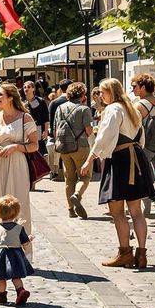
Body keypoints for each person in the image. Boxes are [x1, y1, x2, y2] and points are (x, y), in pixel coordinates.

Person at [80, 78, 154, 269]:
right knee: (136, 211)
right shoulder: (132, 108)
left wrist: (90, 158)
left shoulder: (113, 109)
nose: (100, 96)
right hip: (136, 157)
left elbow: (104, 136)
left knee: (117, 211)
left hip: (120, 160)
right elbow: (141, 138)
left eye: (102, 92)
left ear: (111, 92)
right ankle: (142, 255)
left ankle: (125, 254)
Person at [0, 83, 37, 264]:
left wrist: (16, 146)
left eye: (0, 95)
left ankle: (22, 256)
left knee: (18, 206)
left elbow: (34, 145)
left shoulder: (25, 117)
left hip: (17, 165)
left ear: (10, 97)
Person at [0, 194, 33, 307]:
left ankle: (1, 296)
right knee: (16, 276)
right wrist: (29, 238)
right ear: (16, 213)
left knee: (1, 278)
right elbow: (25, 243)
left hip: (0, 255)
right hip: (16, 254)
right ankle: (20, 290)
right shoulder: (19, 228)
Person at [53, 83, 95, 219]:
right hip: (81, 146)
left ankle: (70, 210)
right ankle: (77, 194)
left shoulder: (60, 108)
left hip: (64, 147)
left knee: (69, 179)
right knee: (85, 176)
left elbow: (55, 131)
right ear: (82, 95)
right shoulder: (84, 109)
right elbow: (89, 131)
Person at [132, 74, 155, 215]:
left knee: (143, 176)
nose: (133, 89)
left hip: (145, 146)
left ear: (143, 87)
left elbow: (134, 127)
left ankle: (147, 203)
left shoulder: (139, 106)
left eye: (134, 86)